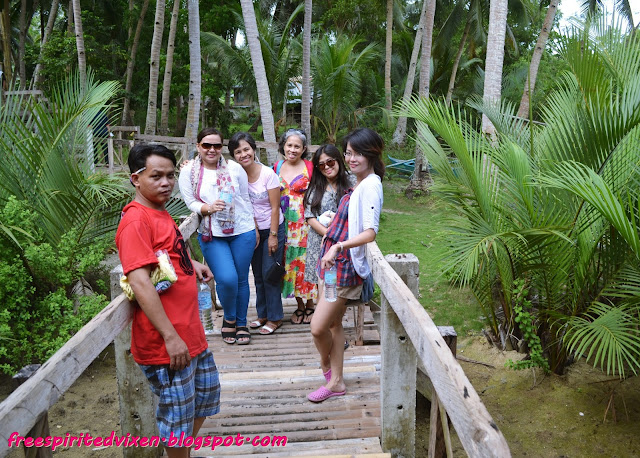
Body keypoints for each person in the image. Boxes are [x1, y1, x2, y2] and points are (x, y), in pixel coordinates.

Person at [115, 144, 220, 457]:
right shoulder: (135, 221)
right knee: (177, 418)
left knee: (205, 399)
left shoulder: (159, 212)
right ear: (136, 178)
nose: (165, 182)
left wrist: (192, 262)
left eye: (170, 176)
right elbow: (139, 281)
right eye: (156, 176)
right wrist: (171, 337)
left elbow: (171, 247)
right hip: (167, 344)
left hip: (190, 333)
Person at [307, 128, 384, 403]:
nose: (352, 158)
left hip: (343, 267)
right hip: (329, 263)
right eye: (349, 153)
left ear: (372, 154)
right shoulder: (359, 182)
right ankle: (336, 381)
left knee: (318, 327)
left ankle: (328, 369)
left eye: (358, 153)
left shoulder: (371, 185)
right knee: (333, 325)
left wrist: (339, 246)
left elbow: (370, 232)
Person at [179, 128, 258, 345]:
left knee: (241, 279)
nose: (212, 150)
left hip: (242, 230)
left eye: (217, 146)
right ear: (198, 146)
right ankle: (229, 318)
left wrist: (255, 227)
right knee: (227, 278)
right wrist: (207, 207)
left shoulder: (234, 168)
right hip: (212, 233)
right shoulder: (189, 172)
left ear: (222, 148)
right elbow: (190, 202)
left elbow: (245, 197)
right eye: (207, 145)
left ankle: (239, 322)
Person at [229, 131, 286, 335]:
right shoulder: (237, 176)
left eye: (246, 149)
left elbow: (274, 207)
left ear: (253, 149)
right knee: (258, 275)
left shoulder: (267, 174)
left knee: (270, 273)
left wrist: (272, 235)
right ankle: (262, 314)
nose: (244, 154)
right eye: (238, 152)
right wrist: (254, 230)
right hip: (250, 230)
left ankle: (275, 317)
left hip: (272, 227)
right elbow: (244, 205)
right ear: (233, 156)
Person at [274, 128, 317, 324]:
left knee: (306, 264)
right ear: (283, 146)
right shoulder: (276, 167)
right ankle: (300, 305)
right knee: (290, 265)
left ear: (304, 148)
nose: (292, 149)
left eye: (297, 146)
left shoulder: (310, 167)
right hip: (283, 224)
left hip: (305, 224)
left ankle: (311, 305)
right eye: (289, 145)